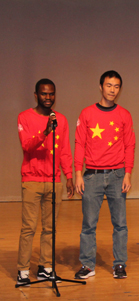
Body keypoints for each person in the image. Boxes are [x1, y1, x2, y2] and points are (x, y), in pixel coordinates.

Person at [74, 71, 136, 279]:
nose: (112, 90)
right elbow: (79, 144)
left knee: (120, 224)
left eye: (117, 86)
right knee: (89, 224)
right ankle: (87, 264)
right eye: (109, 85)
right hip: (92, 176)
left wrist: (127, 173)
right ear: (101, 87)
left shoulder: (124, 115)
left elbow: (130, 145)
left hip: (117, 175)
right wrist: (77, 174)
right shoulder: (87, 113)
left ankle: (119, 264)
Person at [16, 79, 74, 286]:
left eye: (51, 94)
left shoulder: (62, 120)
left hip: (54, 180)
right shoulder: (24, 117)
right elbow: (27, 146)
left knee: (50, 228)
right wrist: (45, 131)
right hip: (32, 180)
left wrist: (69, 176)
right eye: (43, 94)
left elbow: (65, 150)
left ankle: (45, 267)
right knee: (29, 227)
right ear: (36, 95)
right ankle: (22, 270)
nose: (48, 98)